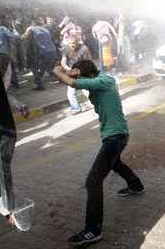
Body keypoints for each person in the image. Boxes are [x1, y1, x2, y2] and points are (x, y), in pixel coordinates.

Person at [52, 60, 144, 246]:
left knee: (93, 181)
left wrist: (57, 71)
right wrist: (66, 70)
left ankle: (93, 230)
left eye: (81, 75)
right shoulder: (96, 78)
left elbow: (73, 82)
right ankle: (136, 185)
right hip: (114, 135)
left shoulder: (105, 80)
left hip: (115, 137)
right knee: (115, 163)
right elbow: (72, 77)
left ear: (87, 74)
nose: (79, 78)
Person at [21, 16, 57, 90]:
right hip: (53, 51)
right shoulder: (45, 29)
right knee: (45, 68)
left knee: (34, 67)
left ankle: (39, 84)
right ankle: (38, 82)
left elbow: (24, 37)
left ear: (33, 22)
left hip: (43, 52)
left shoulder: (31, 28)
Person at [61, 37, 92, 114]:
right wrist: (66, 67)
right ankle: (76, 108)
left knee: (86, 88)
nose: (72, 47)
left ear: (77, 43)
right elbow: (63, 61)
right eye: (71, 45)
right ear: (68, 44)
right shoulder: (66, 49)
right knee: (71, 92)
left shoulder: (84, 48)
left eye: (74, 45)